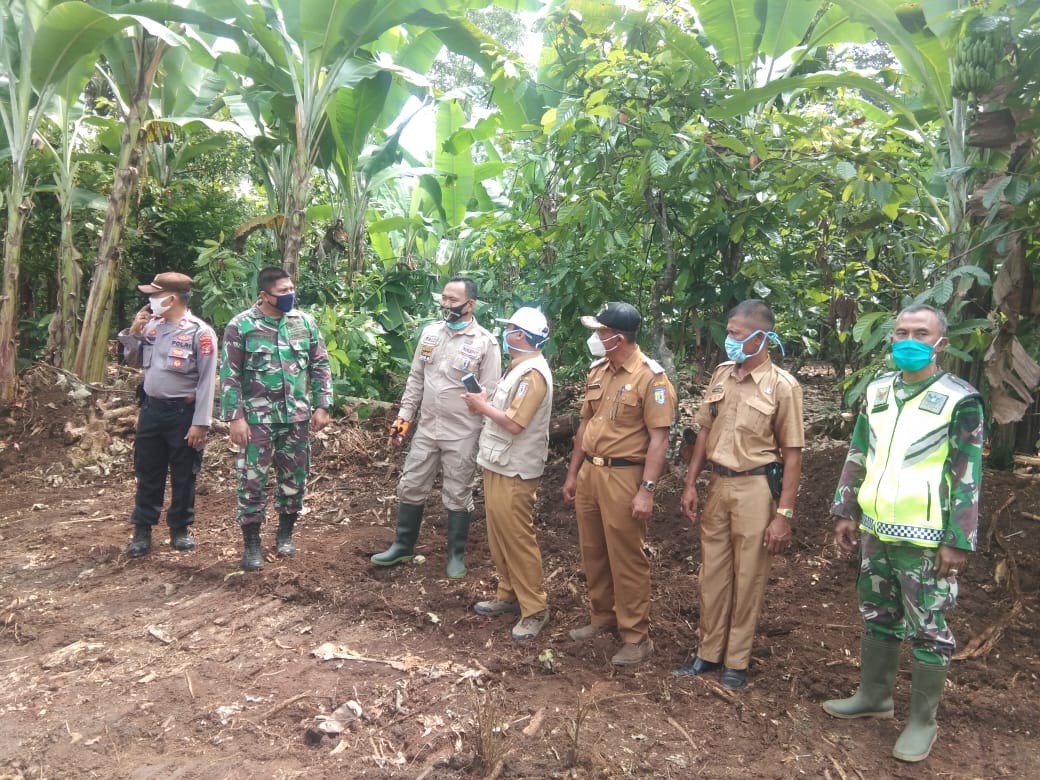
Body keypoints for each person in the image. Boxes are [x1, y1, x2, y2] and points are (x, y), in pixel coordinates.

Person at [823, 303, 983, 763]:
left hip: (928, 537)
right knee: (878, 613)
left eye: (920, 332)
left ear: (940, 343)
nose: (908, 340)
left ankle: (921, 721)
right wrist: (846, 510)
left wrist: (958, 538)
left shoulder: (960, 398)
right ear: (890, 339)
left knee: (929, 628)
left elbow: (967, 470)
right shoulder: (876, 393)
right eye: (901, 332)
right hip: (876, 529)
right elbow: (859, 453)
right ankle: (874, 697)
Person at [673, 299, 804, 690]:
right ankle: (707, 653)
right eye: (728, 332)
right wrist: (690, 481)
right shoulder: (721, 375)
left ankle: (737, 661)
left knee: (749, 577)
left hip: (756, 487)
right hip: (717, 485)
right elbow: (705, 432)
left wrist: (784, 515)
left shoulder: (783, 387)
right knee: (711, 574)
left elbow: (793, 457)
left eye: (736, 334)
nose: (728, 340)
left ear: (761, 337)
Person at [562, 302, 676, 667]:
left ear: (618, 337)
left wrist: (647, 489)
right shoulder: (599, 371)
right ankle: (602, 617)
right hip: (591, 475)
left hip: (625, 476)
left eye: (601, 333)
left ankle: (635, 635)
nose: (596, 338)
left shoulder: (651, 378)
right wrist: (572, 472)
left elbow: (659, 440)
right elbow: (584, 426)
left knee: (626, 556)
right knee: (593, 549)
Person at [372, 277, 501, 578]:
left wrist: (485, 436)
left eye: (452, 300)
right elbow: (416, 379)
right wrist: (403, 420)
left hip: (463, 433)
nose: (445, 304)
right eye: (443, 298)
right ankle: (403, 545)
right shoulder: (430, 334)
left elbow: (490, 393)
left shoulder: (485, 343)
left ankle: (455, 554)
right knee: (412, 484)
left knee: (457, 492)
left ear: (470, 304)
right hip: (427, 429)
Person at [220, 267, 333, 571]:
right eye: (283, 291)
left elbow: (320, 365)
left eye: (291, 289)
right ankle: (252, 543)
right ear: (265, 295)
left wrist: (323, 405)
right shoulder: (241, 326)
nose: (290, 295)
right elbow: (229, 375)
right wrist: (235, 417)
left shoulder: (303, 322)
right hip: (256, 420)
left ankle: (285, 534)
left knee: (294, 479)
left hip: (296, 417)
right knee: (251, 481)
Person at [464, 307, 553, 640]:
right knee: (498, 532)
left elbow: (515, 423)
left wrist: (481, 406)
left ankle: (535, 608)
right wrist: (487, 401)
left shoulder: (533, 374)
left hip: (516, 467)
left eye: (511, 329)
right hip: (499, 461)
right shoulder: (519, 369)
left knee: (516, 537)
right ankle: (507, 592)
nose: (507, 333)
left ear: (521, 336)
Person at [118, 272, 217, 557]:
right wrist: (134, 333)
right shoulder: (152, 328)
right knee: (148, 471)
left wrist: (201, 422)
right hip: (151, 410)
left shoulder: (200, 333)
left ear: (171, 298)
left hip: (182, 414)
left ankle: (180, 529)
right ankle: (142, 529)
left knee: (184, 474)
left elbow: (207, 381)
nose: (151, 301)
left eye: (155, 295)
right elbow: (134, 362)